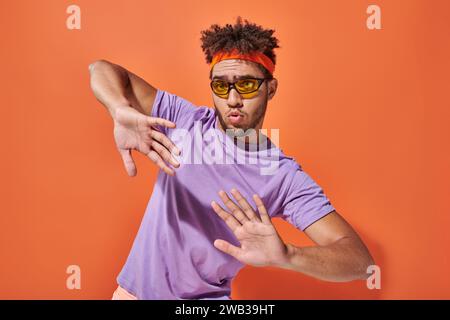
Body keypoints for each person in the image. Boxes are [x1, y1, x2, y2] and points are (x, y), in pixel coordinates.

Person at [89, 16, 374, 300]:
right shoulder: (185, 120)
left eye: (247, 85)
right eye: (221, 86)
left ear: (270, 89)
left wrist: (289, 255)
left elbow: (361, 262)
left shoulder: (282, 176)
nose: (233, 99)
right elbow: (100, 69)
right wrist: (118, 107)